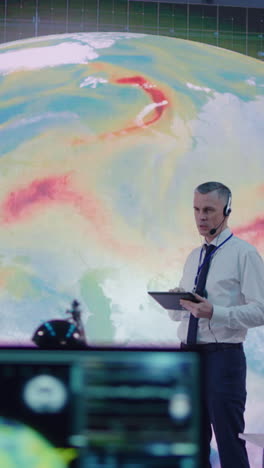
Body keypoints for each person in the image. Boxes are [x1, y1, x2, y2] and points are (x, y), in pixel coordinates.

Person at [168, 181, 264, 468]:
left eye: (209, 210)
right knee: (191, 441)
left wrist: (215, 313)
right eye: (196, 209)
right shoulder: (193, 257)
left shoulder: (243, 254)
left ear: (227, 210)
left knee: (228, 442)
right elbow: (184, 315)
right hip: (188, 356)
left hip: (223, 358)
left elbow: (261, 310)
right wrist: (176, 304)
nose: (201, 217)